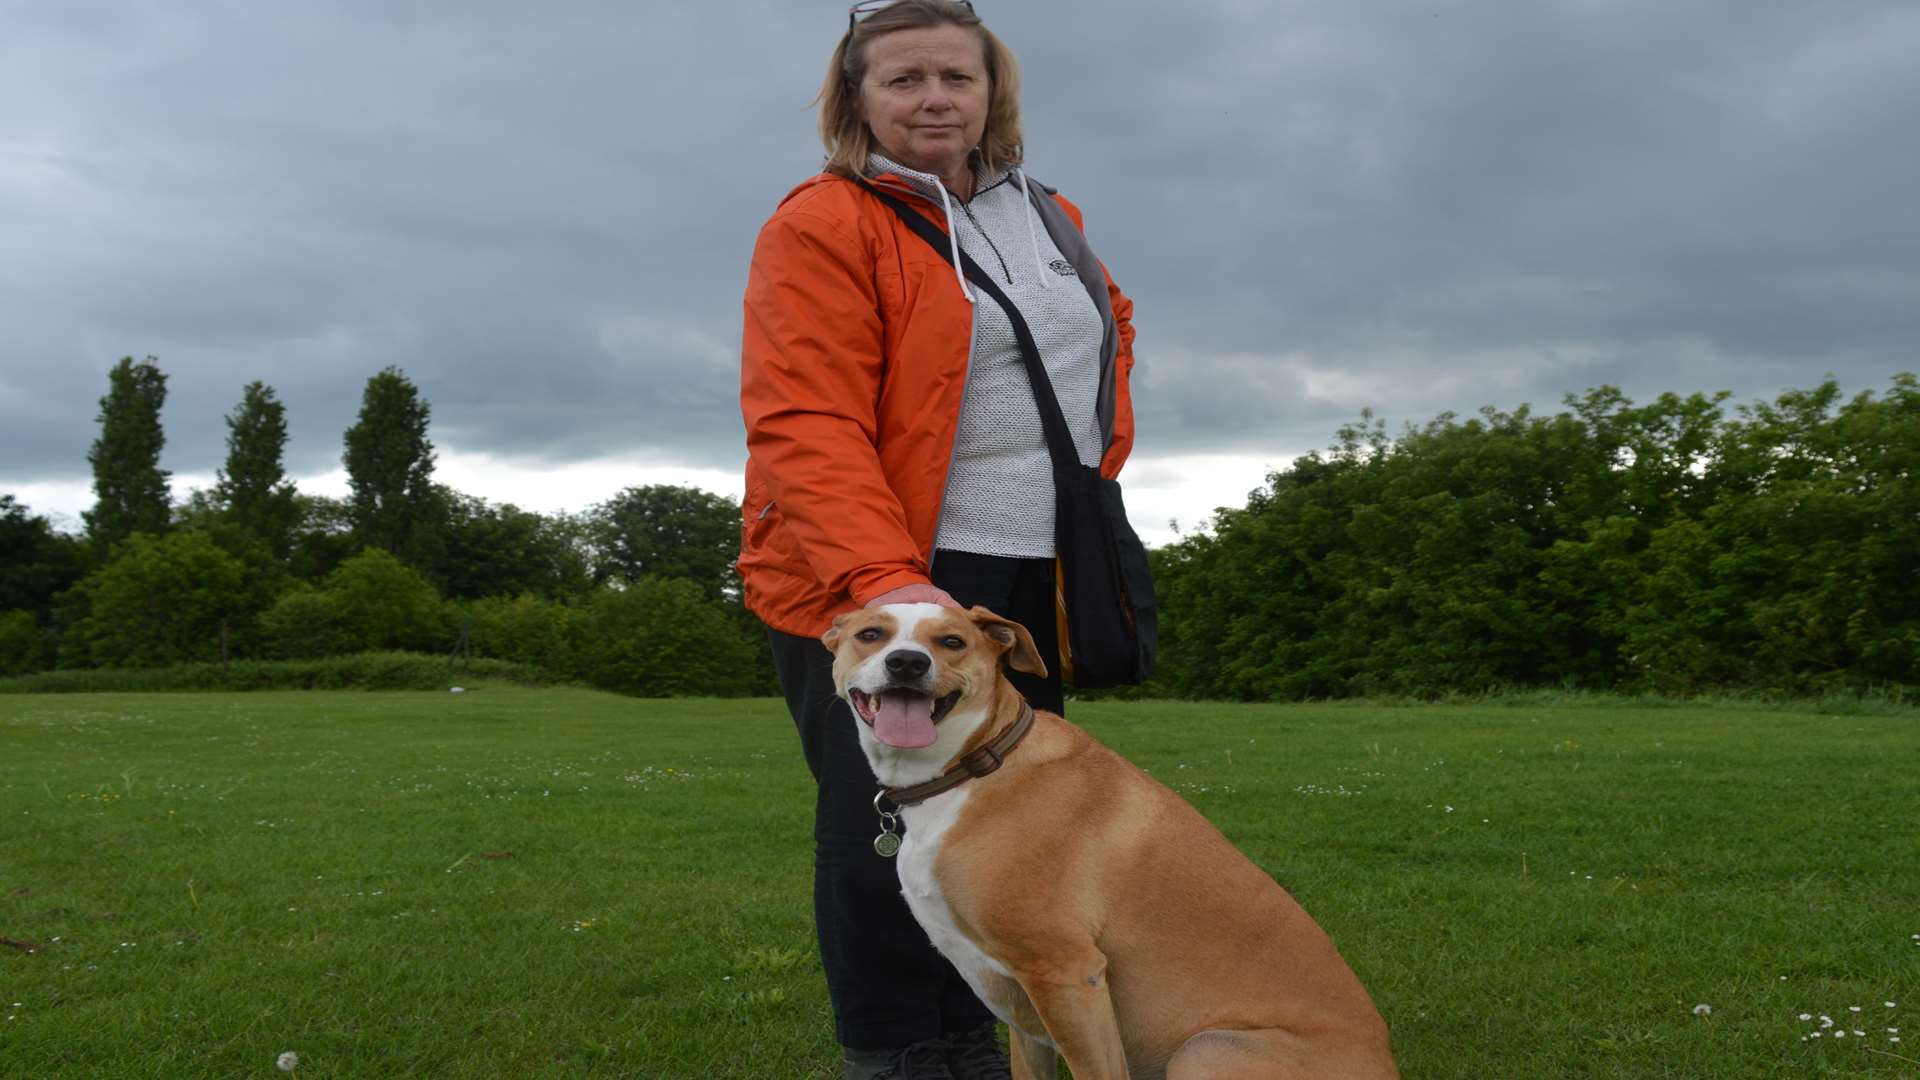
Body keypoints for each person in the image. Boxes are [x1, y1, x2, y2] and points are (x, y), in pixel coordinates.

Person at [737, 2, 1137, 1076]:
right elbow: (802, 420)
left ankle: (1009, 1041)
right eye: (903, 79)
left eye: (955, 77)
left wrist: (1089, 493)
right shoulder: (824, 221)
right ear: (856, 101)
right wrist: (891, 587)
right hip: (886, 570)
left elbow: (1101, 341)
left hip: (1029, 571)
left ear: (991, 92)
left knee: (1016, 825)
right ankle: (906, 1054)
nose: (933, 99)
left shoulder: (1049, 213)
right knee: (887, 831)